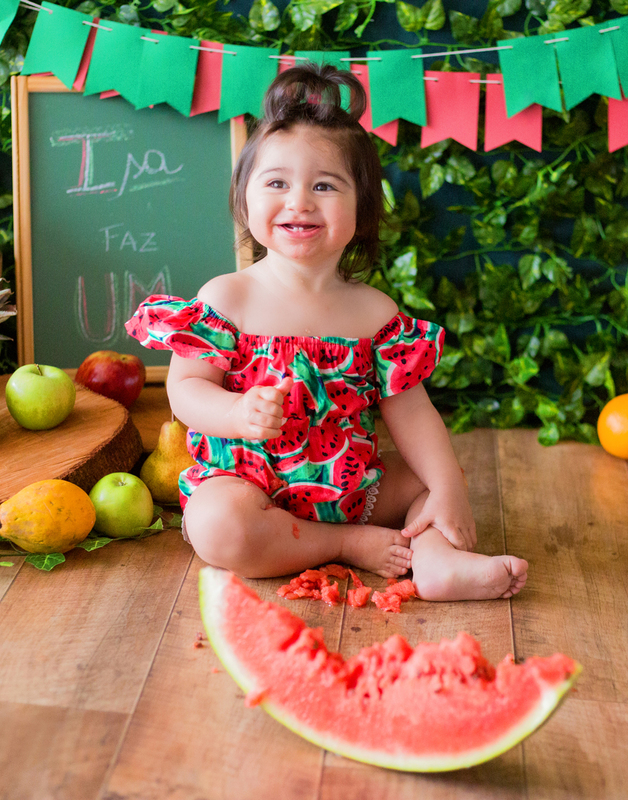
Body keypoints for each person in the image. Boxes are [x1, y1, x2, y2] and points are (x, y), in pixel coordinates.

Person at [126, 63, 527, 601]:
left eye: (323, 185)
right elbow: (185, 389)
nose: (299, 201)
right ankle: (344, 544)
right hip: (248, 487)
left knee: (433, 480)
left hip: (352, 486)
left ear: (361, 210)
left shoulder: (374, 314)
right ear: (244, 197)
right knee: (215, 527)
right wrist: (235, 414)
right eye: (276, 183)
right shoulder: (227, 298)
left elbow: (411, 413)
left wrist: (447, 485)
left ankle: (437, 562)